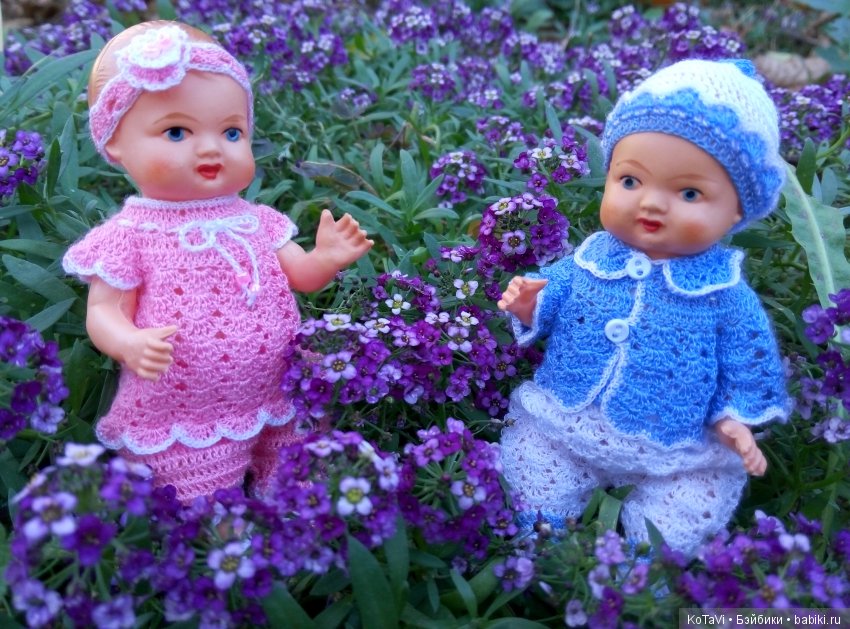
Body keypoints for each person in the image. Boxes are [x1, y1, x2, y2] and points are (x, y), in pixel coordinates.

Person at [63, 21, 373, 503]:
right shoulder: (131, 235)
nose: (211, 147)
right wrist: (128, 342)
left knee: (298, 474)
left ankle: (296, 512)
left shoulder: (257, 221)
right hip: (188, 405)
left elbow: (301, 276)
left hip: (279, 385)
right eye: (176, 131)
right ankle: (215, 527)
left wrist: (326, 258)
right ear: (116, 143)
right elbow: (104, 309)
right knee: (202, 502)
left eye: (231, 131)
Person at [497, 58, 790, 556]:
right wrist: (530, 306)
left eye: (689, 192)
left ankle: (639, 573)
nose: (651, 203)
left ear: (737, 211)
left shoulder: (724, 294)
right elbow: (553, 297)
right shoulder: (589, 258)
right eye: (631, 181)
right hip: (565, 421)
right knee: (532, 461)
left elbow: (745, 358)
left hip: (677, 447)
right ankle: (542, 545)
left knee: (689, 507)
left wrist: (733, 420)